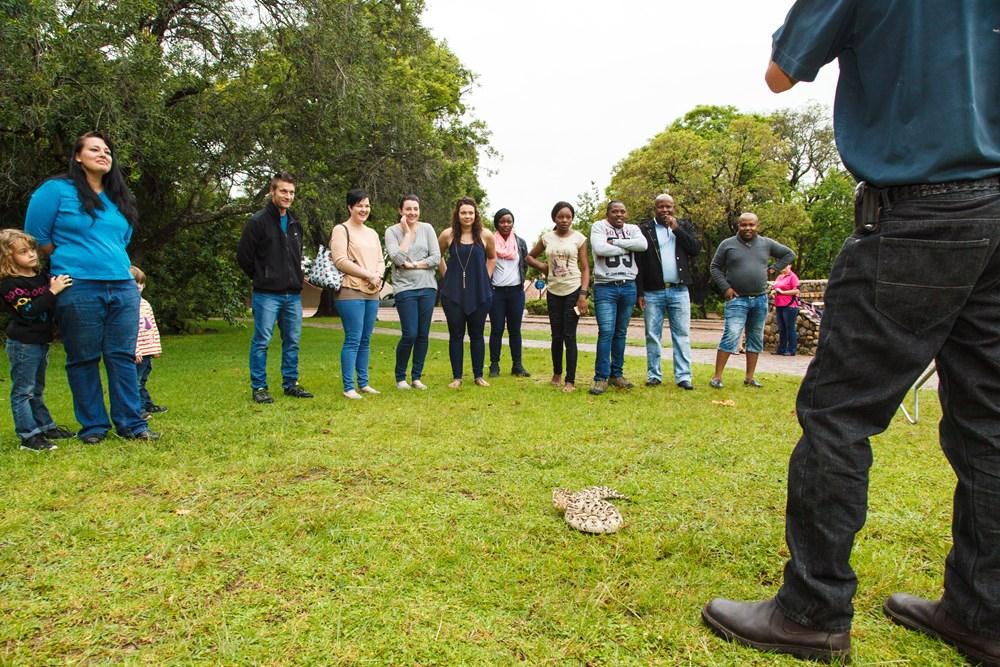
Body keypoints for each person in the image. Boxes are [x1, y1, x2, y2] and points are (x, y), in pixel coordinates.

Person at [702, 3, 1000, 666]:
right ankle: (984, 613)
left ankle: (812, 610)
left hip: (919, 208)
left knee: (838, 414)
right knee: (989, 423)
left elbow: (782, 73)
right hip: (996, 210)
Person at [25, 131, 158, 442]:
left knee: (122, 355)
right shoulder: (56, 190)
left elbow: (122, 240)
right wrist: (73, 257)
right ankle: (94, 427)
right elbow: (36, 239)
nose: (103, 154)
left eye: (108, 151)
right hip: (78, 286)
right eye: (95, 149)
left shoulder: (118, 197)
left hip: (122, 287)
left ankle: (132, 424)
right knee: (83, 357)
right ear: (77, 156)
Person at [237, 172, 313, 404]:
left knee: (293, 340)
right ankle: (259, 386)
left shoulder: (294, 222)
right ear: (272, 192)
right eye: (283, 191)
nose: (288, 196)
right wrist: (263, 276)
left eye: (291, 192)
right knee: (262, 340)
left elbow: (296, 256)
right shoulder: (257, 222)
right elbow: (244, 257)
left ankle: (291, 383)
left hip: (292, 294)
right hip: (267, 294)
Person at [0, 229, 75, 451]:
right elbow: (29, 310)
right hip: (23, 343)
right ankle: (28, 436)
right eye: (23, 252)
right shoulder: (10, 285)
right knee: (23, 390)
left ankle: (45, 426)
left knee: (37, 388)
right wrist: (53, 291)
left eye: (32, 249)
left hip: (41, 341)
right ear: (8, 257)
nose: (32, 254)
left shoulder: (41, 276)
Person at [707, 213, 794, 389]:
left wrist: (774, 268)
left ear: (757, 225)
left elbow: (789, 254)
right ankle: (717, 377)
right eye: (744, 225)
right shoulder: (728, 244)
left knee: (755, 338)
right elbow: (714, 267)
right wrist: (726, 287)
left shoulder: (766, 243)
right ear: (738, 226)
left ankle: (749, 377)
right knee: (731, 335)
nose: (748, 228)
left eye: (751, 225)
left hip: (760, 299)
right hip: (737, 299)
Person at [635, 193, 701, 390]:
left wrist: (677, 229)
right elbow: (638, 262)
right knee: (652, 334)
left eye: (668, 206)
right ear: (654, 209)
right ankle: (654, 374)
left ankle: (683, 376)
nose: (665, 210)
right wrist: (639, 292)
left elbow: (695, 249)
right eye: (660, 207)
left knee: (681, 334)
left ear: (674, 207)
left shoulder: (684, 226)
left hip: (679, 289)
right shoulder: (644, 229)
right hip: (652, 291)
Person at [528, 201, 589, 393]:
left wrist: (583, 294)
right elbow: (529, 257)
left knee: (569, 336)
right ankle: (556, 373)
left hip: (573, 289)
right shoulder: (547, 238)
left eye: (568, 217)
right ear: (554, 218)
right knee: (556, 335)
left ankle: (570, 380)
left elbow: (586, 267)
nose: (564, 220)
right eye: (560, 216)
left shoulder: (579, 238)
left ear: (572, 218)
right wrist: (545, 268)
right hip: (553, 291)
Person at [589, 200, 647, 395]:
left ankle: (617, 374)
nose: (619, 215)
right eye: (615, 211)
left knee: (621, 332)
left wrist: (617, 243)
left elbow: (643, 245)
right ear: (608, 213)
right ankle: (600, 377)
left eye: (622, 211)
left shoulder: (632, 228)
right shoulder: (599, 226)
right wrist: (629, 248)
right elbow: (600, 249)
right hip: (605, 286)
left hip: (628, 285)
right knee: (606, 331)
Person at [331, 188, 384, 399]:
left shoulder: (372, 233)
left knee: (366, 339)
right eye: (359, 205)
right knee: (353, 338)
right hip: (350, 290)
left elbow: (381, 260)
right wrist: (368, 275)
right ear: (350, 207)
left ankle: (363, 383)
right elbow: (340, 260)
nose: (364, 209)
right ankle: (348, 387)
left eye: (367, 205)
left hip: (372, 291)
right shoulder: (341, 230)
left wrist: (377, 276)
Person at [438, 197, 495, 388]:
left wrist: (485, 279)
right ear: (457, 214)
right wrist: (447, 277)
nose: (467, 216)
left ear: (476, 214)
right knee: (456, 334)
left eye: (471, 212)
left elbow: (492, 258)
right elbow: (436, 257)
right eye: (463, 212)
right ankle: (457, 377)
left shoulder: (486, 235)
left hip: (480, 292)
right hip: (453, 293)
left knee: (477, 334)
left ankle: (478, 375)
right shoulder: (448, 235)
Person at [385, 194, 439, 391]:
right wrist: (407, 234)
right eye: (408, 209)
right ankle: (400, 378)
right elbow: (397, 259)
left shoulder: (427, 228)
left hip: (427, 287)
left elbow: (435, 257)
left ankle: (416, 377)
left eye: (415, 209)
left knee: (423, 334)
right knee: (410, 333)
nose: (412, 213)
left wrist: (414, 264)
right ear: (401, 211)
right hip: (404, 289)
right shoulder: (392, 232)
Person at [488, 208, 531, 378]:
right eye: (502, 221)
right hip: (496, 292)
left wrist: (520, 282)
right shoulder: (489, 241)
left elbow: (525, 264)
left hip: (515, 292)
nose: (506, 224)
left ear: (513, 223)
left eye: (509, 221)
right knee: (496, 329)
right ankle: (494, 365)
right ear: (497, 224)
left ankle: (517, 365)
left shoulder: (520, 242)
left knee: (515, 330)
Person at [129, 266, 166, 418]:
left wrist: (156, 347)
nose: (138, 286)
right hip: (138, 353)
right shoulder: (128, 306)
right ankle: (139, 410)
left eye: (141, 283)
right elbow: (129, 332)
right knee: (135, 382)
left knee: (142, 380)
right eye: (135, 283)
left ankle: (147, 404)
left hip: (148, 351)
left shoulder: (145, 304)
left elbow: (152, 327)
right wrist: (134, 350)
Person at [771, 263, 800, 356]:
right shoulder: (779, 277)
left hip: (790, 306)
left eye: (784, 265)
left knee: (790, 328)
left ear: (789, 266)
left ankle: (791, 350)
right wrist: (773, 291)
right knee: (782, 328)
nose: (782, 267)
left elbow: (797, 291)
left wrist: (783, 292)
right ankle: (781, 349)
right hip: (779, 305)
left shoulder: (793, 277)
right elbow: (775, 287)